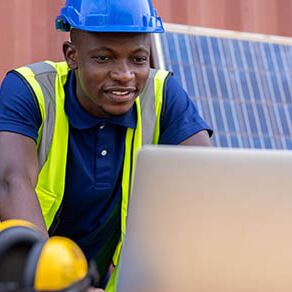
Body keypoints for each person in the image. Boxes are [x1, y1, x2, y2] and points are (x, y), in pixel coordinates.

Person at [0, 0, 213, 291]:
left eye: (138, 60)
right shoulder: (29, 90)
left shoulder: (162, 94)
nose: (124, 74)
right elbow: (11, 182)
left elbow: (211, 185)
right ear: (72, 55)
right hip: (22, 279)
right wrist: (59, 282)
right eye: (104, 58)